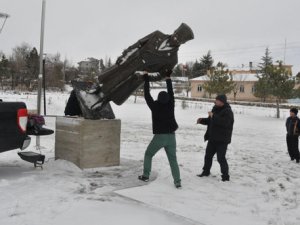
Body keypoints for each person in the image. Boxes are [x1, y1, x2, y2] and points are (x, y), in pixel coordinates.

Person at [138, 73, 181, 188]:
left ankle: (146, 175)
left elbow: (147, 95)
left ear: (158, 98)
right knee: (173, 160)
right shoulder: (171, 104)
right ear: (167, 99)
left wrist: (146, 80)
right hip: (172, 137)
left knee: (148, 154)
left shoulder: (154, 106)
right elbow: (171, 92)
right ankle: (178, 182)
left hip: (160, 137)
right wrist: (168, 78)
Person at [196, 94, 234, 181]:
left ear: (222, 101)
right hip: (213, 138)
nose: (215, 101)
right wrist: (202, 120)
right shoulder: (215, 109)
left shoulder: (228, 111)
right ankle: (206, 171)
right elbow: (210, 121)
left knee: (221, 158)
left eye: (217, 100)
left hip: (222, 140)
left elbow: (225, 123)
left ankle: (225, 177)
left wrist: (214, 116)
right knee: (208, 156)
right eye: (216, 100)